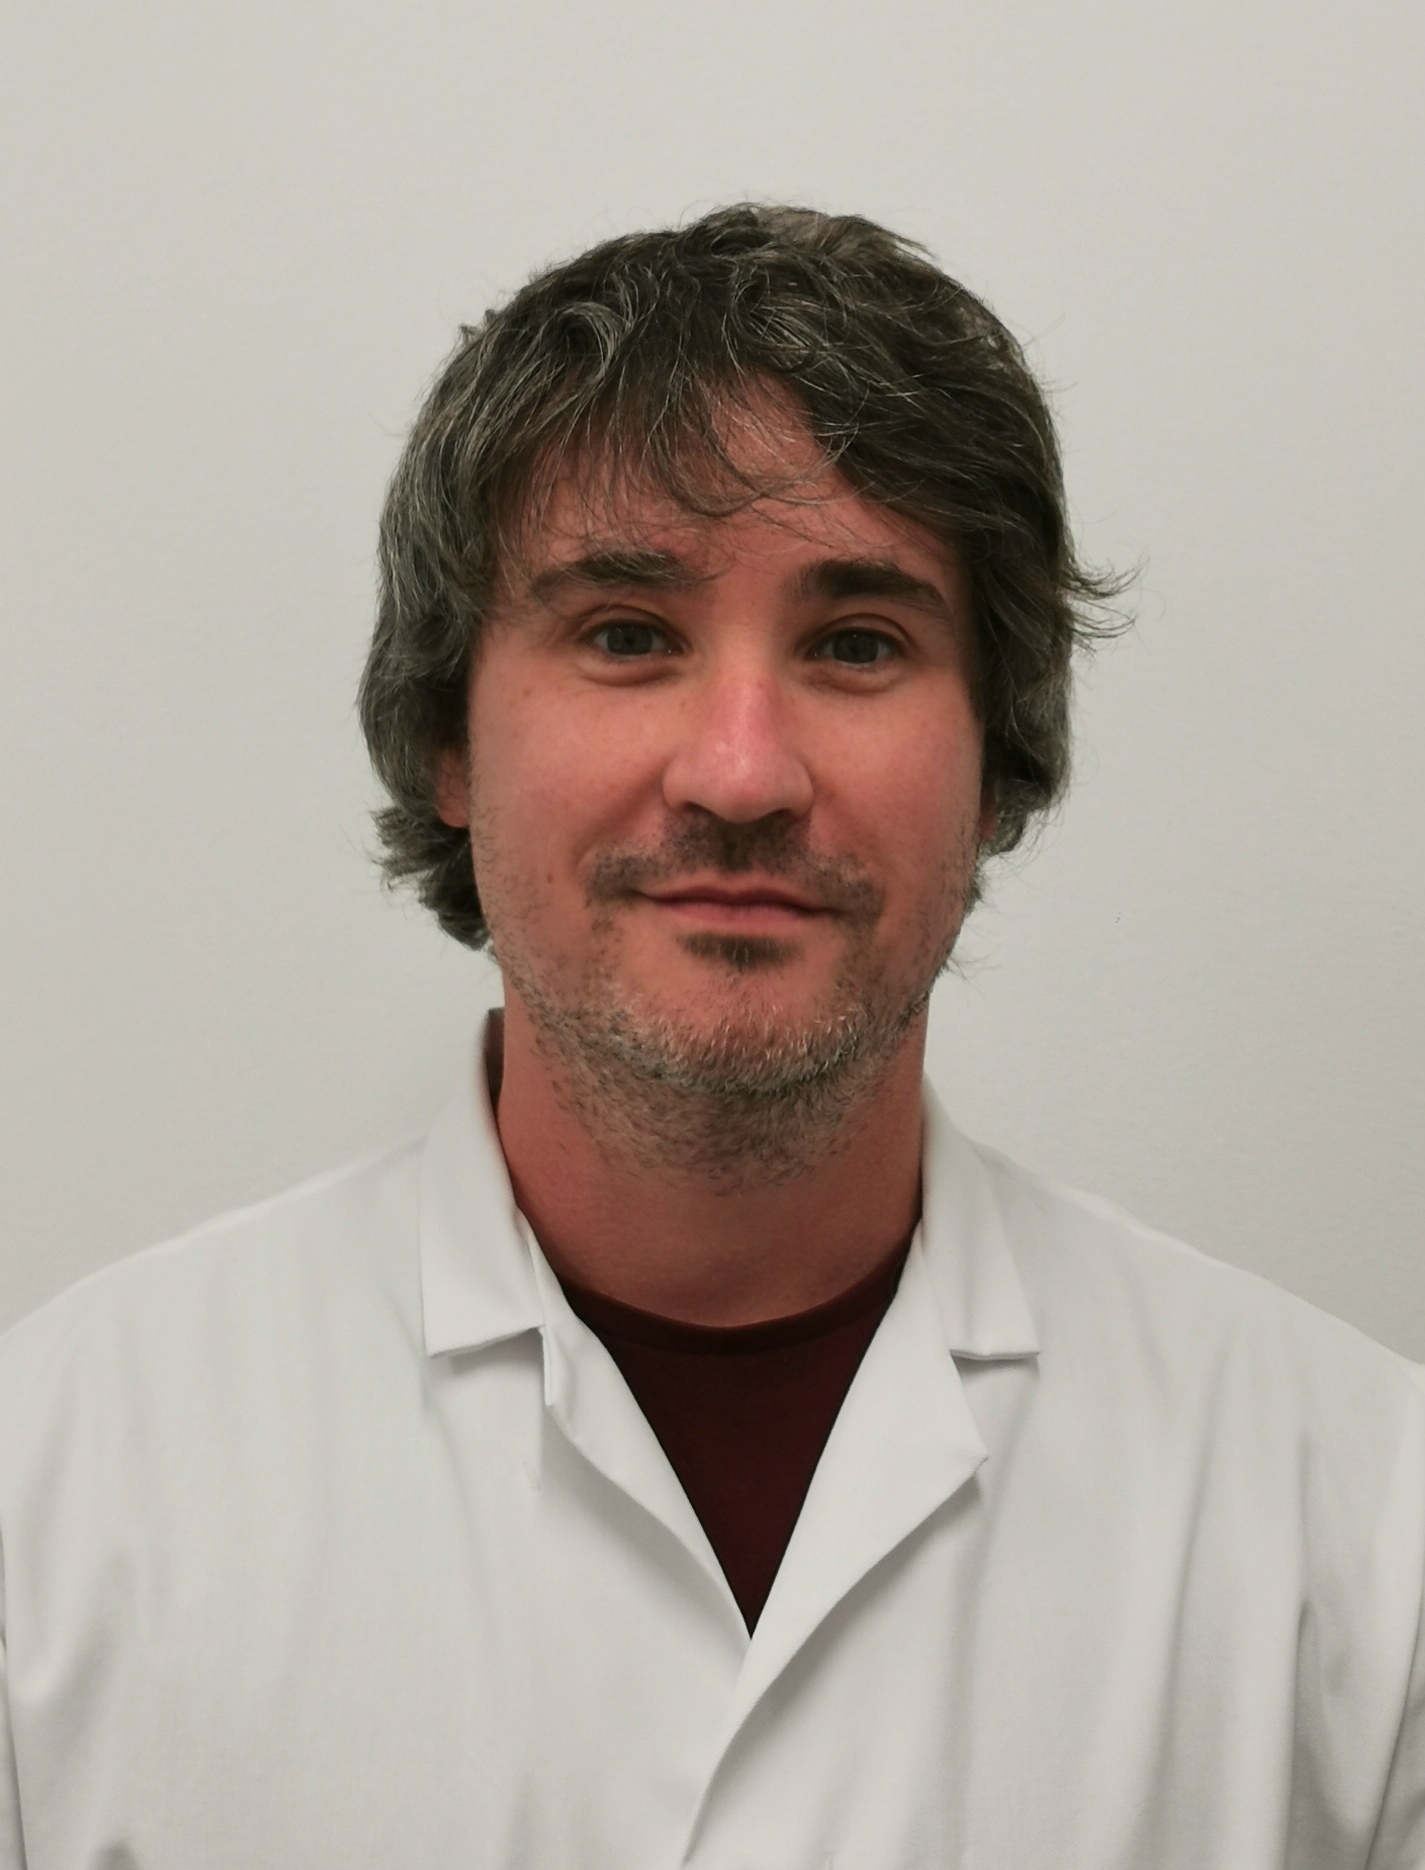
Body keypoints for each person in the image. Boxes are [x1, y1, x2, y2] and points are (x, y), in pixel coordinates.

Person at [0, 204, 1420, 1869]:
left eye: (856, 642)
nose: (740, 772)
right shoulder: (55, 1498)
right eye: (625, 634)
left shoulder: (1357, 1522)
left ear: (996, 757)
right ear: (449, 737)